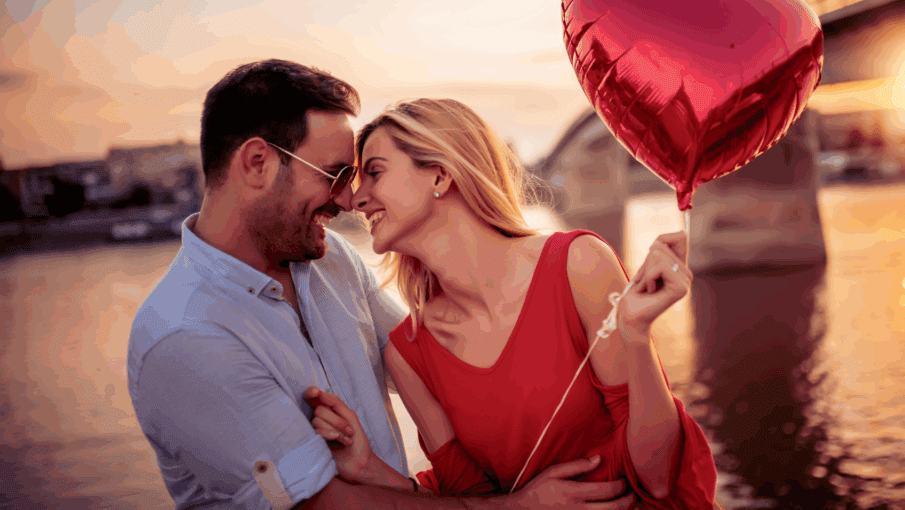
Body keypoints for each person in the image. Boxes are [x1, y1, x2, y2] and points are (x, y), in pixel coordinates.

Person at [127, 59, 636, 510]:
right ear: (257, 164)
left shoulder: (331, 262)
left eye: (359, 174)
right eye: (334, 174)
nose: (348, 199)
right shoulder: (185, 337)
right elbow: (322, 504)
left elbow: (445, 366)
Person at [307, 99, 718, 509]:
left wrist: (636, 336)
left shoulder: (580, 264)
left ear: (440, 174)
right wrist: (370, 472)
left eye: (374, 173)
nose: (355, 200)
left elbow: (659, 479)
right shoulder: (408, 354)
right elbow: (469, 502)